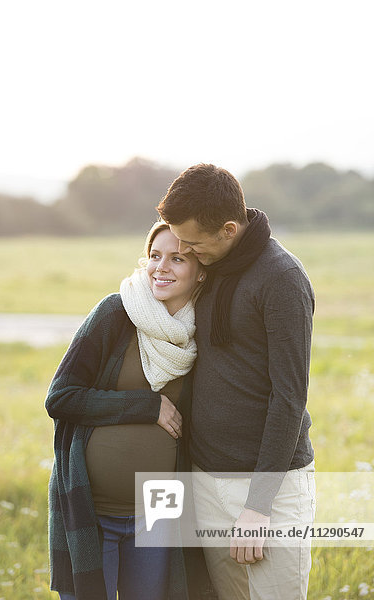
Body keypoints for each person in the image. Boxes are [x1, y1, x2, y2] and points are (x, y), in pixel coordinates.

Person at [157, 163, 316, 600]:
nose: (184, 250)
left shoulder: (282, 279)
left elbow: (289, 398)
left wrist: (258, 506)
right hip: (207, 479)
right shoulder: (211, 268)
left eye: (191, 242)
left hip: (271, 489)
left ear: (229, 228)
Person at [45, 222, 217, 600]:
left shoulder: (204, 332)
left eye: (177, 258)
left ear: (200, 270)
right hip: (92, 505)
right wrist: (147, 404)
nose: (161, 267)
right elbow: (60, 397)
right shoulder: (117, 312)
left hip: (159, 507)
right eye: (155, 256)